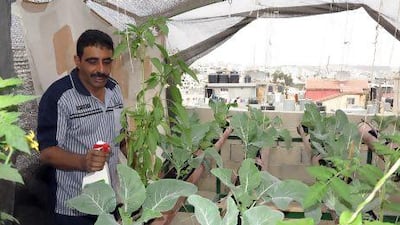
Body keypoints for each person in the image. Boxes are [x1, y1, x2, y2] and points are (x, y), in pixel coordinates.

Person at [37, 29, 125, 225]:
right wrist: (83, 161)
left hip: (110, 202)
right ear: (78, 61)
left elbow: (121, 135)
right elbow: (46, 152)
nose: (101, 69)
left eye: (107, 61)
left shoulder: (114, 89)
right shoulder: (59, 96)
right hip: (72, 208)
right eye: (92, 61)